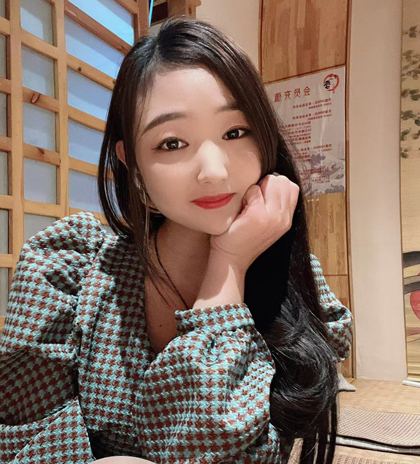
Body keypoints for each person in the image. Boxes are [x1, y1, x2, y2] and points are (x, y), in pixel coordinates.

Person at [0, 16, 353, 464]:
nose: (214, 171)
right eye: (171, 143)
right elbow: (22, 444)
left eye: (234, 132)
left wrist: (228, 266)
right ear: (131, 161)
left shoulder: (294, 283)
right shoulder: (68, 271)